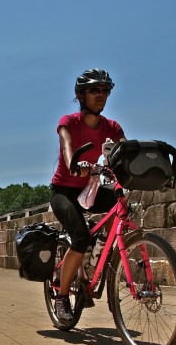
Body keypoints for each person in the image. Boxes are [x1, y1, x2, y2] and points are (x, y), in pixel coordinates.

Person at [50, 68, 127, 325]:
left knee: (122, 206)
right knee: (80, 237)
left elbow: (126, 150)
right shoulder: (69, 121)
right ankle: (61, 297)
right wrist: (75, 164)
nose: (101, 95)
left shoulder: (111, 127)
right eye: (94, 90)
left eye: (105, 90)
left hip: (88, 190)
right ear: (81, 95)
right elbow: (67, 146)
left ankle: (98, 251)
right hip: (64, 191)